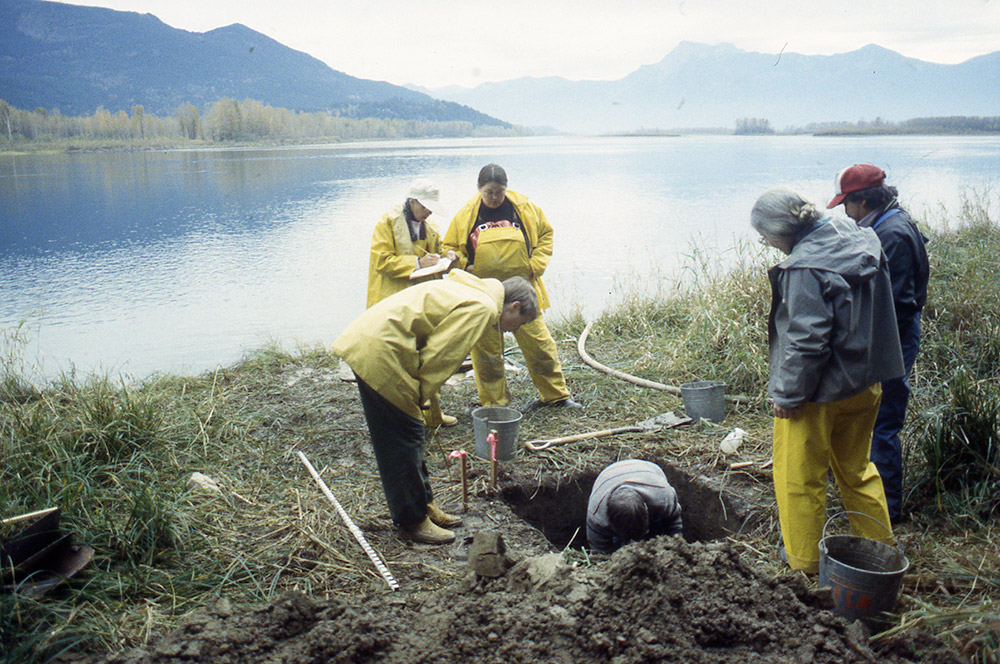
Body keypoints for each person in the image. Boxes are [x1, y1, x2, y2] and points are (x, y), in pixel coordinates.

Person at [752, 185, 904, 574]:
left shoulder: (804, 267)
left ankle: (802, 562)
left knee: (799, 478)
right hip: (865, 382)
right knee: (858, 469)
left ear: (784, 231)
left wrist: (787, 394)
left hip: (817, 394)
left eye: (765, 235)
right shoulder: (861, 236)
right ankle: (879, 545)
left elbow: (807, 341)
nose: (764, 242)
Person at [333, 271, 538, 544]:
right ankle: (413, 522)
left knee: (411, 433)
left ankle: (424, 506)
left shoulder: (476, 289)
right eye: (519, 323)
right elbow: (441, 355)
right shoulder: (483, 308)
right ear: (513, 306)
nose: (515, 330)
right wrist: (423, 396)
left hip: (378, 341)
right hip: (383, 350)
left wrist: (422, 398)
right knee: (405, 436)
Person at [827, 164, 929, 524]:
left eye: (846, 205)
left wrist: (868, 345)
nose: (845, 213)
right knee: (875, 418)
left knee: (883, 421)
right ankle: (872, 501)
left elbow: (899, 304)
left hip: (894, 341)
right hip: (892, 338)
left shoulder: (893, 234)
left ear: (864, 199)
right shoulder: (888, 221)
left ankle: (887, 513)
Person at [442, 163, 581, 411]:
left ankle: (556, 396)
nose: (495, 198)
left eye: (500, 191)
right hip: (484, 295)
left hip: (523, 292)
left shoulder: (525, 209)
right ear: (478, 189)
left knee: (540, 345)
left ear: (507, 188)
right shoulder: (465, 215)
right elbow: (449, 248)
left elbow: (546, 235)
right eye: (489, 192)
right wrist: (464, 266)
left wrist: (535, 265)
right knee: (487, 357)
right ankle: (496, 405)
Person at [366, 178, 460, 428]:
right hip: (391, 299)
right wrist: (418, 263)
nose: (429, 211)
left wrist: (447, 255)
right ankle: (406, 418)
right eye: (426, 206)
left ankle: (433, 416)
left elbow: (437, 249)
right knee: (397, 362)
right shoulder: (387, 223)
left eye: (431, 207)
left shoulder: (429, 226)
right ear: (412, 201)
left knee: (427, 357)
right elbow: (382, 261)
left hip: (420, 301)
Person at [586, 459, 683, 553]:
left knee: (657, 528)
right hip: (607, 477)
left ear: (646, 508)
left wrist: (676, 546)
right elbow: (599, 552)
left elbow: (674, 520)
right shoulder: (597, 516)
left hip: (648, 471)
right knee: (618, 543)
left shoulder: (662, 496)